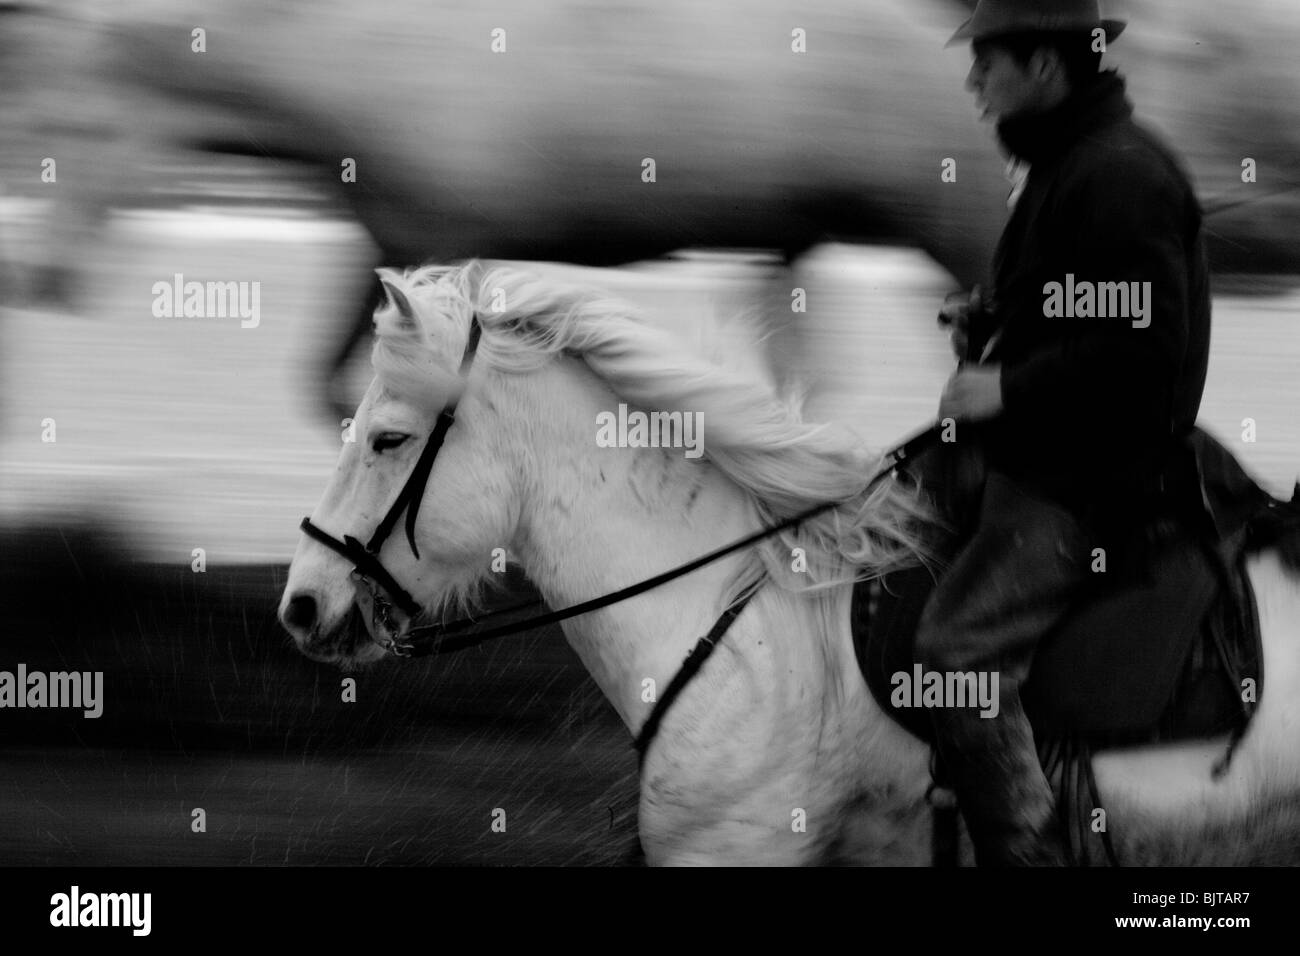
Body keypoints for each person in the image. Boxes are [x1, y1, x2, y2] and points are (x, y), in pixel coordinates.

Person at [919, 0, 1212, 865]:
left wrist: (1002, 386)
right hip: (1051, 452)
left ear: (1046, 67)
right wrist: (993, 315)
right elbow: (1080, 304)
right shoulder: (1069, 163)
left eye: (987, 60)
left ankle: (1029, 851)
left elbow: (1144, 352)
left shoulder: (1116, 172)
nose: (972, 80)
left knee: (951, 649)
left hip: (1094, 481)